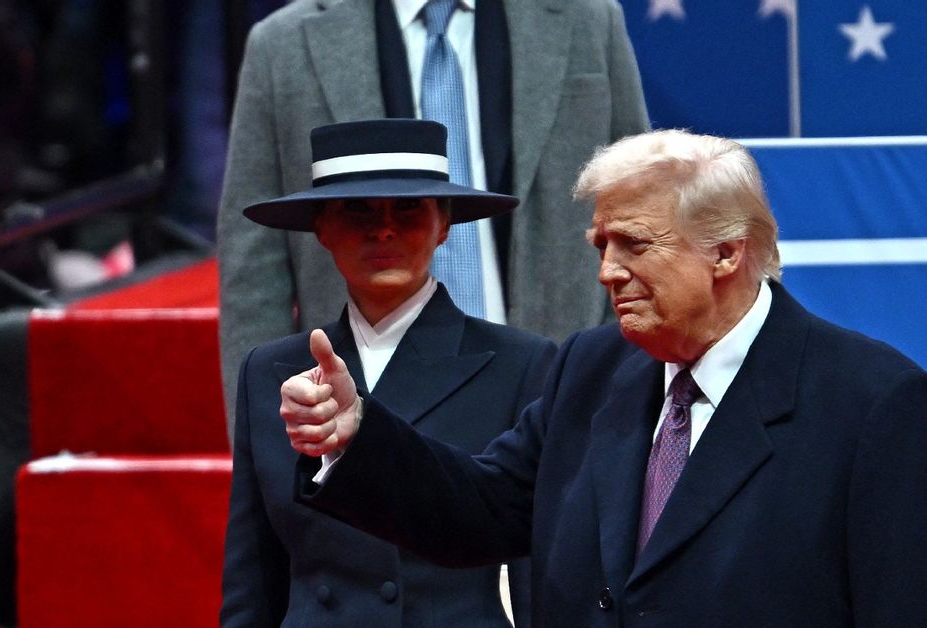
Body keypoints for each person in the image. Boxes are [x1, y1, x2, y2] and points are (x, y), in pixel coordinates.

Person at [280, 129, 927, 628]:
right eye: (601, 244)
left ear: (727, 252)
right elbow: (482, 509)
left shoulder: (876, 406)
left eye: (634, 245)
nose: (609, 270)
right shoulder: (591, 367)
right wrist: (357, 435)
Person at [201, 118, 556, 628]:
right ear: (321, 230)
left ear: (446, 223)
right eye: (357, 211)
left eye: (407, 210)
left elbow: (542, 594)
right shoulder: (270, 371)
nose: (383, 230)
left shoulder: (522, 364)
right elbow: (250, 598)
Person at [216, 0, 649, 430]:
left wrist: (628, 414)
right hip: (355, 421)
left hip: (562, 403)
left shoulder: (589, 18)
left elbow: (642, 212)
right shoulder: (281, 42)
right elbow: (253, 265)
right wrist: (270, 445)